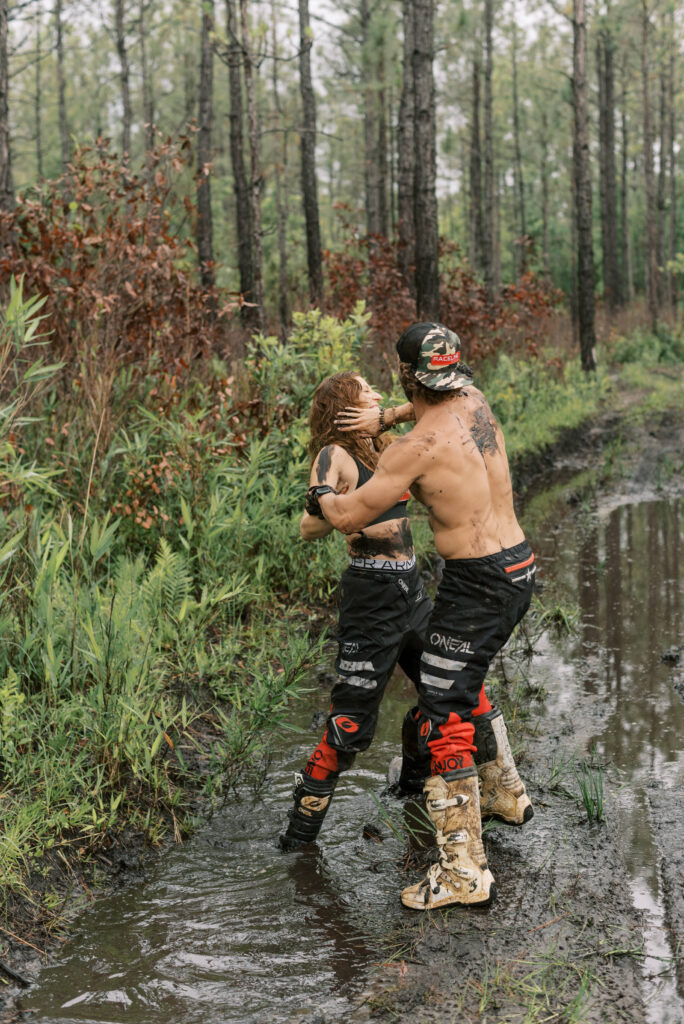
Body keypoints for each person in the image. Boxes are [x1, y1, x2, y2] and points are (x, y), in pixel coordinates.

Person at [309, 323, 535, 910]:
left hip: (477, 583)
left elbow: (348, 516)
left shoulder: (416, 449)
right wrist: (383, 421)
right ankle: (505, 792)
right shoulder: (473, 401)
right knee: (460, 684)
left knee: (441, 711)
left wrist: (320, 496)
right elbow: (426, 407)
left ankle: (463, 872)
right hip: (517, 567)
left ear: (408, 375)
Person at [279, 371, 432, 850]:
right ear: (346, 406)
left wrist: (387, 416)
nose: (378, 395)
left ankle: (410, 785)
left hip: (412, 588)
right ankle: (298, 841)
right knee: (348, 727)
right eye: (367, 391)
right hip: (372, 598)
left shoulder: (383, 447)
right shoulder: (335, 455)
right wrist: (332, 509)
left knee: (446, 690)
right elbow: (309, 525)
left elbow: (436, 411)